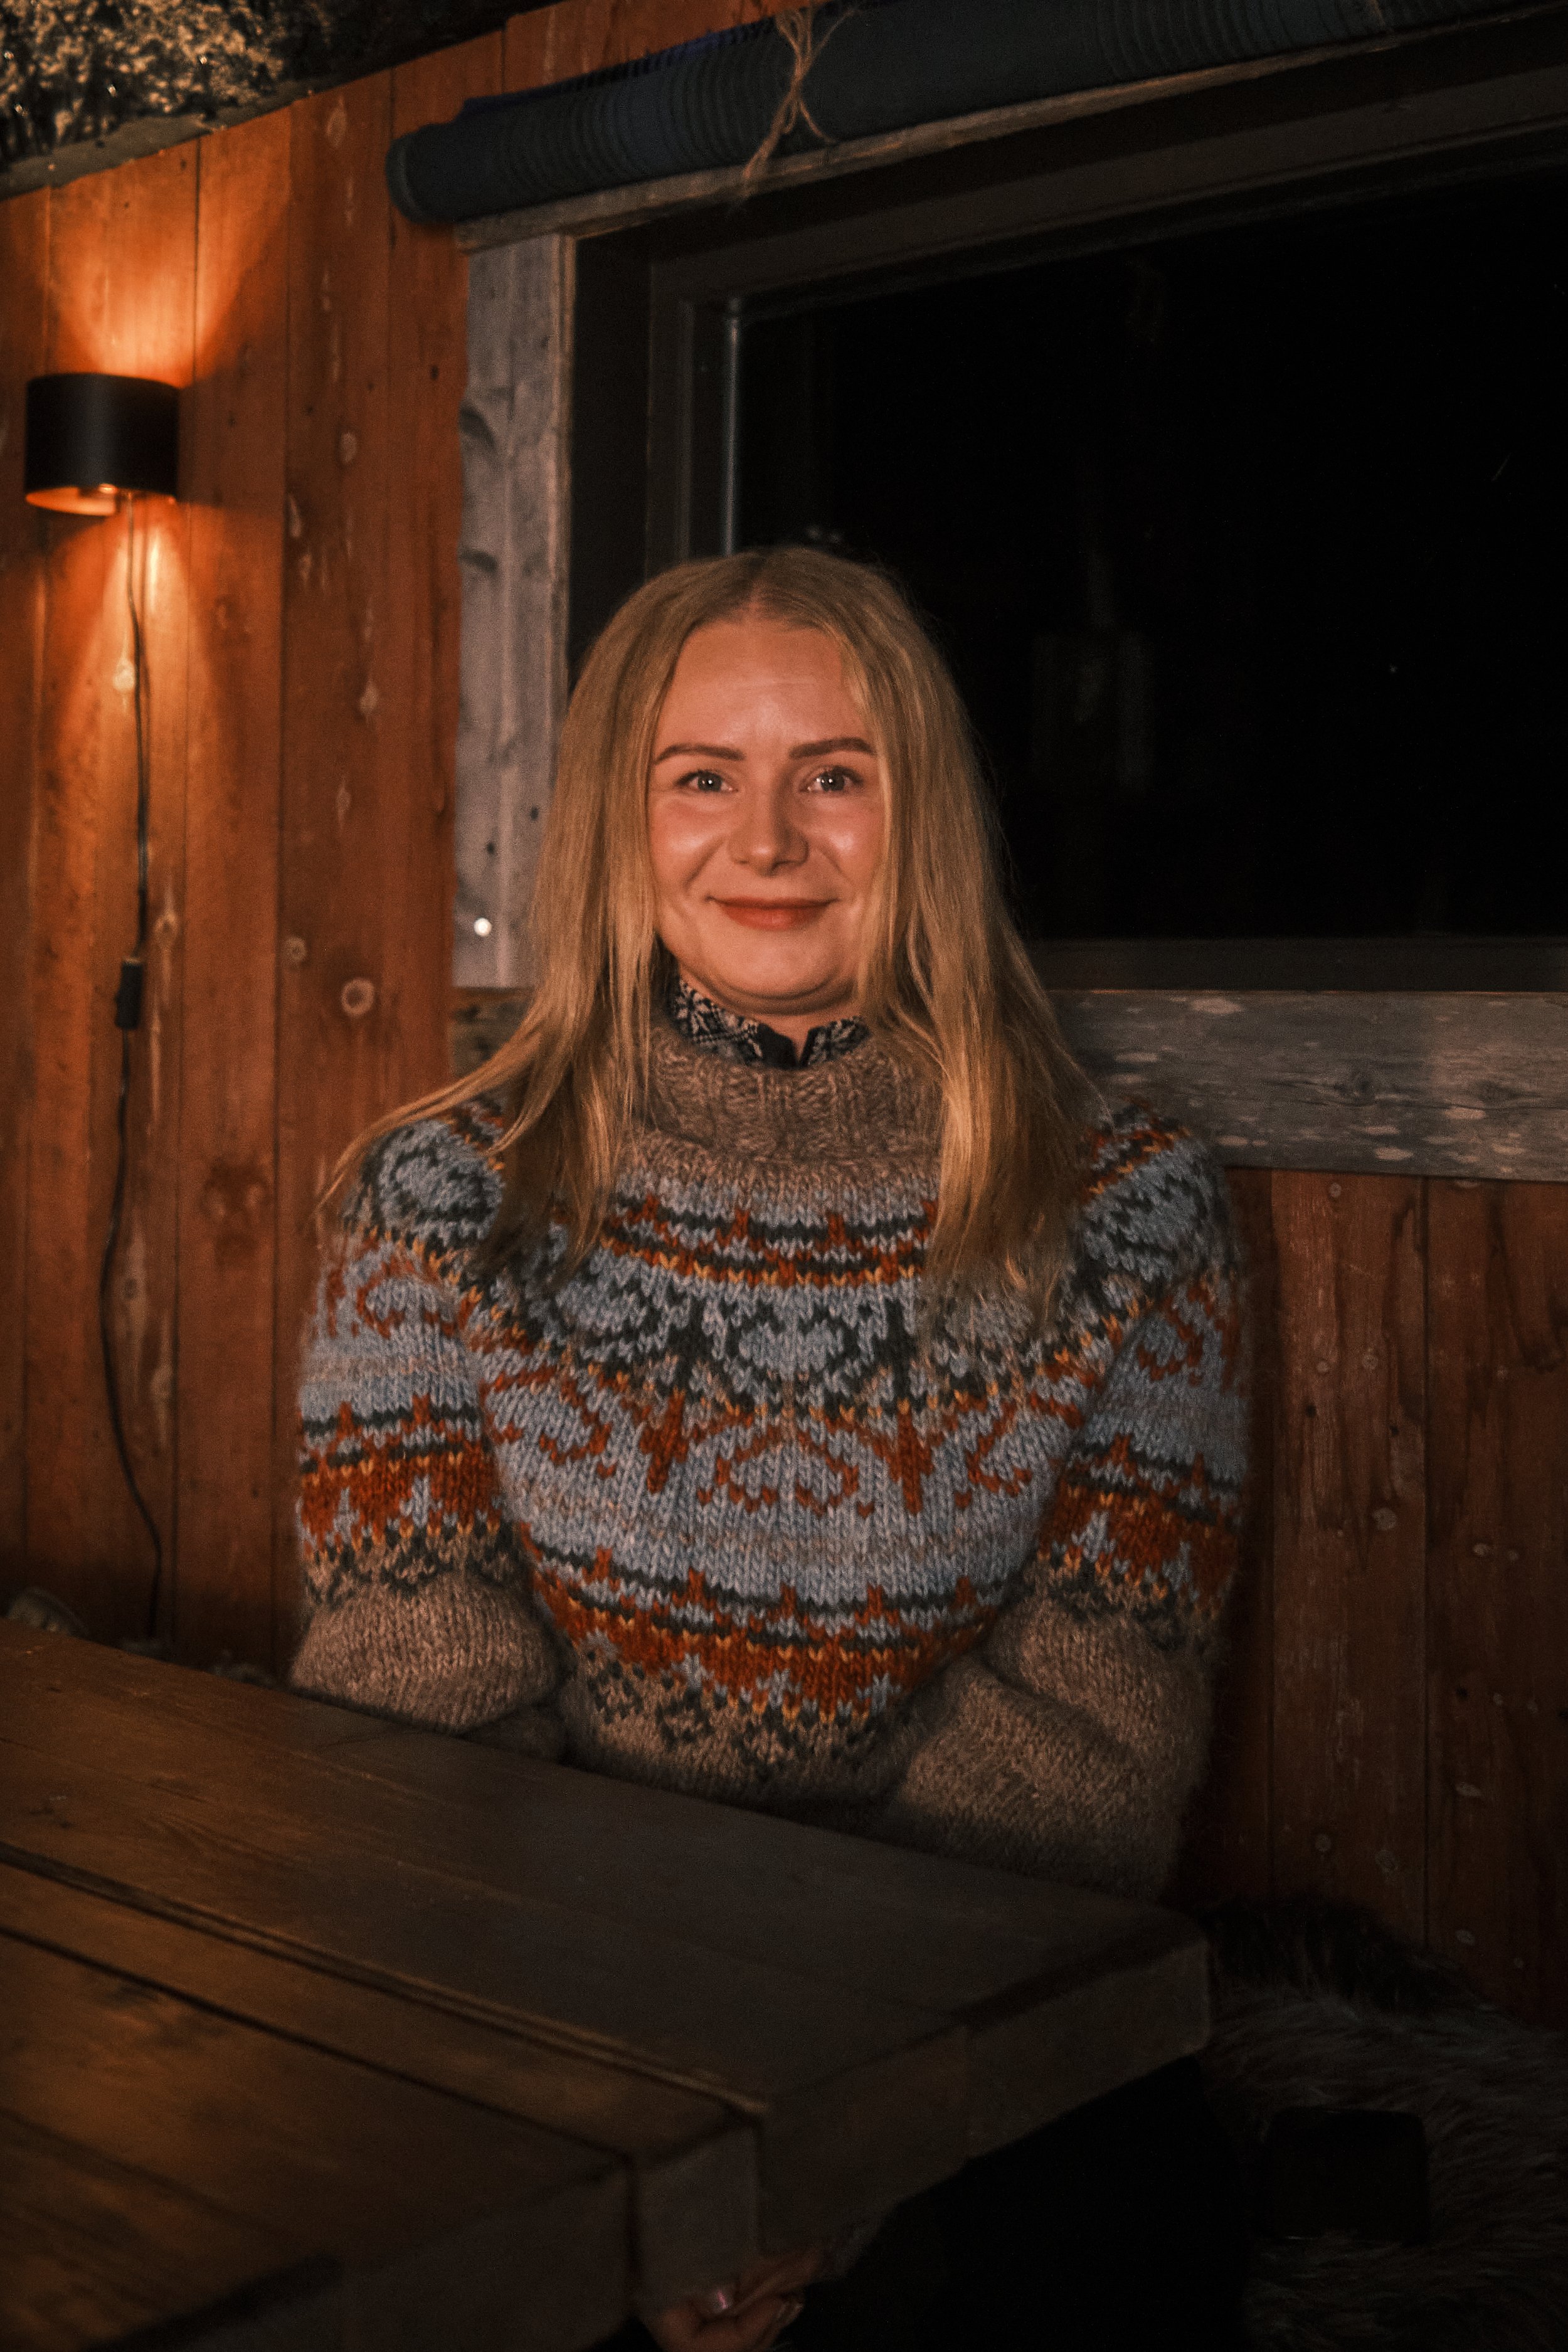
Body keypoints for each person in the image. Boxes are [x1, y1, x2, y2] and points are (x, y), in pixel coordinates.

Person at [289, 548, 1250, 2351]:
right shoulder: (435, 1195)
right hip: (539, 2017)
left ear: (920, 818)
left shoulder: (1127, 1210)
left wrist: (822, 2160)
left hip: (957, 2012)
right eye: (701, 778)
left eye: (833, 773)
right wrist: (644, 2157)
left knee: (1125, 2240)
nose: (767, 841)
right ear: (617, 822)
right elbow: (414, 1713)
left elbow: (1084, 1744)